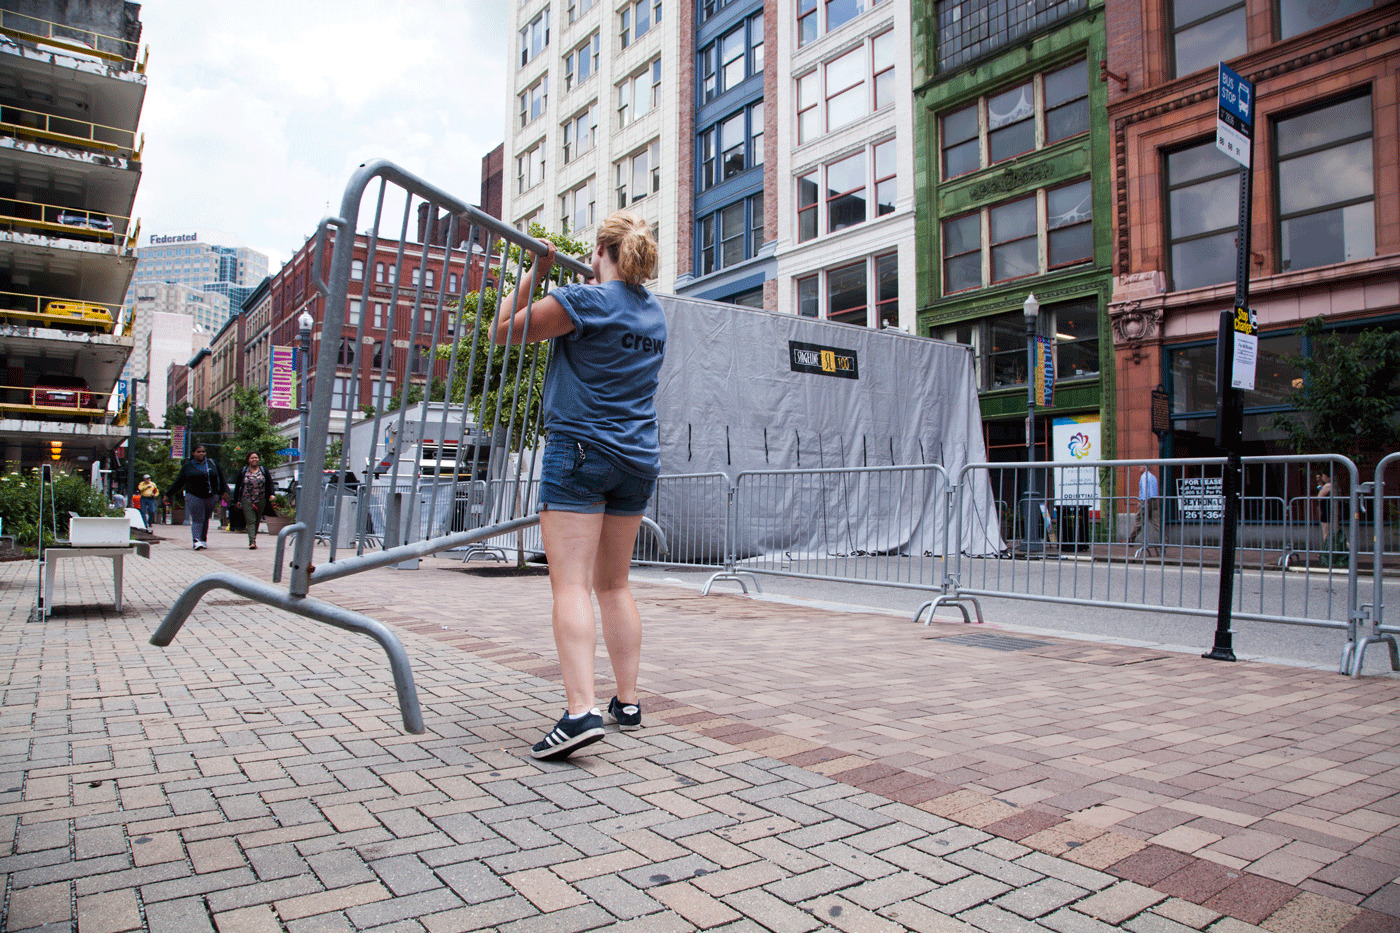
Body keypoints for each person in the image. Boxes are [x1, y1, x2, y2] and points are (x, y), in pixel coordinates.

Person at [494, 212, 664, 761]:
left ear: (599, 250)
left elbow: (503, 330)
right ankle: (628, 702)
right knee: (614, 585)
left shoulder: (586, 301)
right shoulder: (654, 313)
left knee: (569, 585)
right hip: (637, 460)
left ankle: (578, 713)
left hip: (582, 451)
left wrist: (534, 269)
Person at [165, 445, 226, 550]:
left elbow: (221, 478)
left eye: (203, 452)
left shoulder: (212, 463)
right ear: (193, 453)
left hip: (210, 496)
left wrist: (224, 492)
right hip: (194, 496)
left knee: (206, 519)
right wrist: (168, 494)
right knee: (198, 519)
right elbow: (179, 482)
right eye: (198, 452)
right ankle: (196, 540)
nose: (201, 454)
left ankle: (203, 540)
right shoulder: (188, 466)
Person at [232, 451, 274, 550]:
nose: (254, 459)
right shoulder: (243, 471)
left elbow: (270, 483)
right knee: (251, 520)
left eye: (256, 458)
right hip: (246, 499)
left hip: (261, 499)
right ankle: (252, 542)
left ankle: (253, 538)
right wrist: (237, 500)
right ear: (248, 460)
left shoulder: (263, 470)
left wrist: (272, 494)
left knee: (257, 520)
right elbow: (237, 486)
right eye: (252, 458)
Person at [1128, 464, 1160, 558]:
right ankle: (1164, 541)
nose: (1138, 468)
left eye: (1140, 467)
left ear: (1144, 468)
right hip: (1154, 501)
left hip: (1147, 501)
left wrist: (1143, 500)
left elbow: (1146, 490)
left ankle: (1131, 540)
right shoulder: (1153, 477)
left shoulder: (1144, 476)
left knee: (1139, 520)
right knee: (1156, 521)